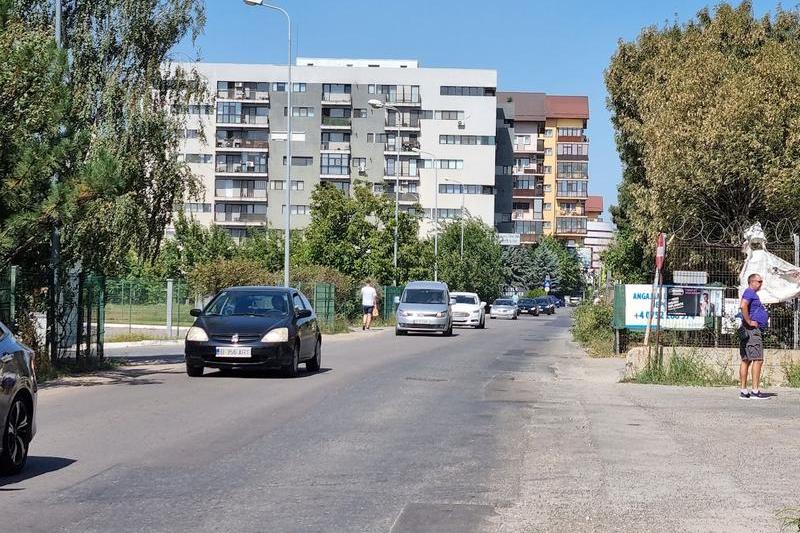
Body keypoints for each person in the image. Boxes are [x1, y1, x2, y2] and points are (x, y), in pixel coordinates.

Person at [739, 273, 769, 399]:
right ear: (752, 282)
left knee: (746, 359)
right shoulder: (750, 292)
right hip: (752, 331)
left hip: (748, 330)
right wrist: (749, 321)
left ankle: (744, 391)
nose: (761, 283)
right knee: (758, 359)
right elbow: (743, 305)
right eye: (759, 281)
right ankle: (755, 391)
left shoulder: (751, 293)